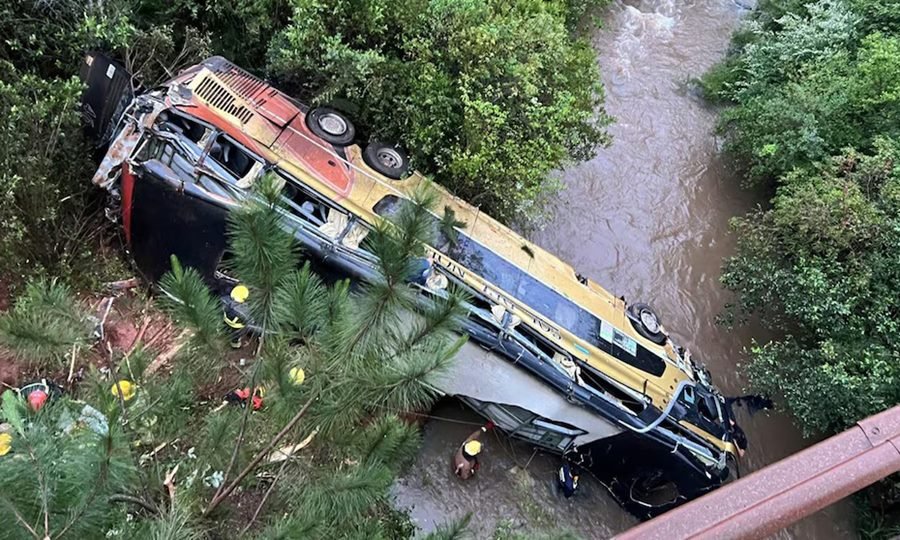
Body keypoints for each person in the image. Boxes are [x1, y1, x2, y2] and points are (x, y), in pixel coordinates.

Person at [224, 283, 250, 349]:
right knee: (236, 336)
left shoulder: (228, 302)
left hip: (227, 321)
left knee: (229, 331)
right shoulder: (242, 310)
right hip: (237, 325)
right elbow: (248, 320)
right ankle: (235, 346)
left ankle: (230, 338)